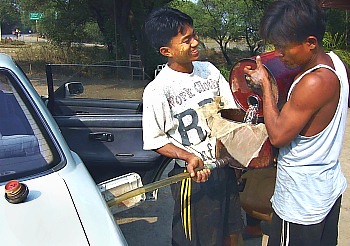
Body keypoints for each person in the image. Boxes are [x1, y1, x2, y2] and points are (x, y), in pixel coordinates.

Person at [244, 0, 349, 245]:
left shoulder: (313, 82)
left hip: (301, 200)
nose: (279, 54)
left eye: (283, 48)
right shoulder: (336, 64)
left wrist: (266, 88)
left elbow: (278, 136)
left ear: (310, 43)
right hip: (325, 188)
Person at [143, 7, 244, 246]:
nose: (195, 42)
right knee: (198, 239)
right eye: (186, 40)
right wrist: (188, 156)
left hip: (224, 169)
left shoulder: (209, 71)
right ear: (166, 51)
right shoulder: (159, 90)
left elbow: (231, 114)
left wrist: (236, 156)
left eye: (194, 35)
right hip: (193, 178)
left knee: (231, 231)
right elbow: (155, 140)